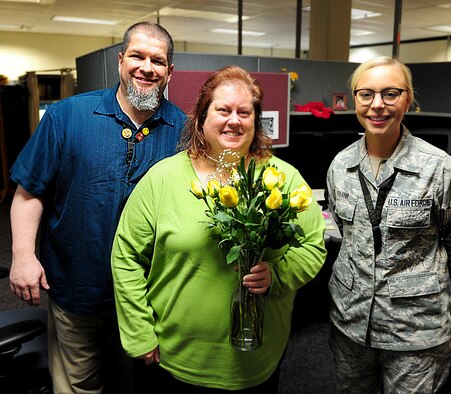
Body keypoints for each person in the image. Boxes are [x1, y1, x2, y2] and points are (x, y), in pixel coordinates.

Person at [111, 65, 327, 392]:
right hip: (175, 356)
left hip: (254, 358)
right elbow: (125, 257)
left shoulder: (284, 178)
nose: (234, 120)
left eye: (244, 112)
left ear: (256, 121)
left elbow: (312, 246)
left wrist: (277, 275)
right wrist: (139, 332)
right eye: (223, 110)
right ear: (201, 118)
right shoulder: (162, 178)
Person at [9, 21, 187, 393]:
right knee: (78, 386)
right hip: (77, 286)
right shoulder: (67, 117)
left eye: (158, 60)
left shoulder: (185, 132)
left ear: (170, 71)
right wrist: (23, 254)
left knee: (138, 385)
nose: (146, 67)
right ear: (121, 61)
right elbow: (30, 191)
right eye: (137, 56)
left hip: (149, 297)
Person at [326, 56, 451, 393]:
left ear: (408, 98)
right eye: (366, 94)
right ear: (355, 99)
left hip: (415, 333)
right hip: (351, 325)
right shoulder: (340, 166)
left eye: (390, 94)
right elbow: (347, 232)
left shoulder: (441, 170)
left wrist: (415, 285)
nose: (377, 105)